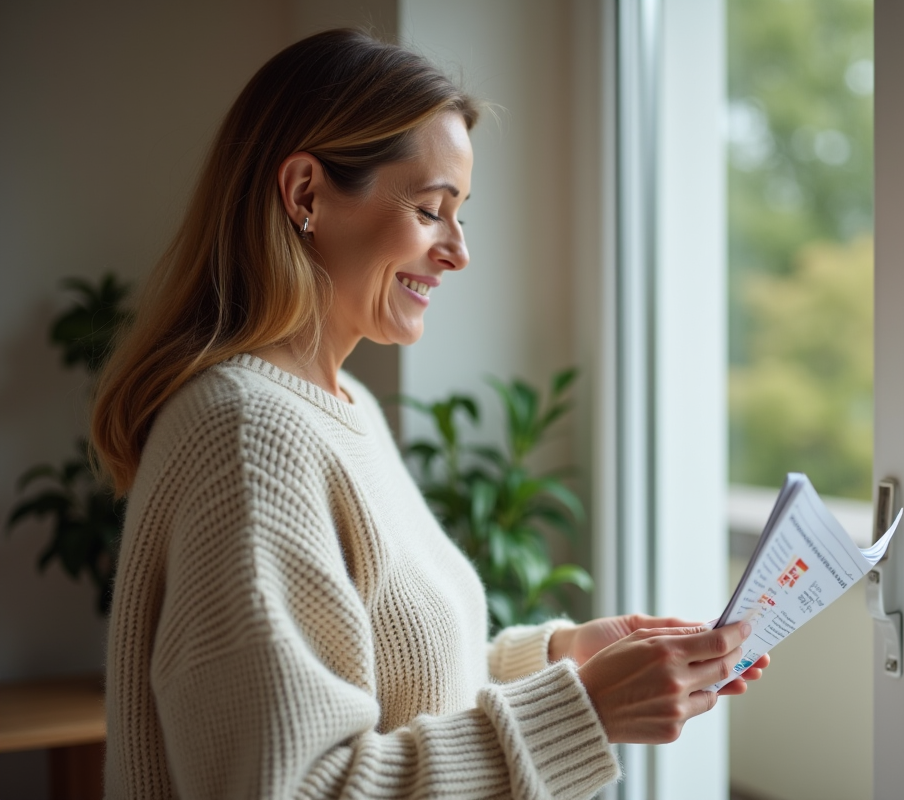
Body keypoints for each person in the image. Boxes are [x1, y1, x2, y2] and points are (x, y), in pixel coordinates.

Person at [92, 29, 767, 799]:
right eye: (430, 210)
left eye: (461, 214)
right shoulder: (247, 435)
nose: (458, 251)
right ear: (306, 193)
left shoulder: (345, 411)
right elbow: (298, 784)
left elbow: (396, 683)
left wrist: (566, 656)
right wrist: (582, 711)